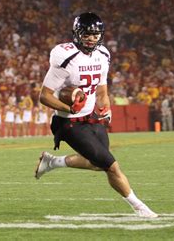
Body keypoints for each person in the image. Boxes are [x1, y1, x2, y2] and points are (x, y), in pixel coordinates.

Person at [35, 12, 157, 218]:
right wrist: (69, 108)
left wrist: (105, 107)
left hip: (91, 116)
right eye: (87, 34)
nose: (91, 38)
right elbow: (44, 96)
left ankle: (52, 162)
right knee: (111, 166)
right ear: (77, 33)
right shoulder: (66, 57)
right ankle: (140, 207)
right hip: (68, 123)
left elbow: (101, 90)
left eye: (95, 34)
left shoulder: (103, 54)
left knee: (98, 164)